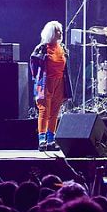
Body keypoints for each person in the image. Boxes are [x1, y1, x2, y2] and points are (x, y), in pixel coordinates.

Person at [30, 21, 72, 151]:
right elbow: (33, 65)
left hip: (59, 83)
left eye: (60, 31)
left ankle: (51, 141)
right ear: (51, 33)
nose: (60, 33)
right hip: (44, 82)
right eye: (57, 31)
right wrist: (37, 81)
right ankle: (42, 140)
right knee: (44, 111)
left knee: (54, 112)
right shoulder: (42, 48)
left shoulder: (62, 48)